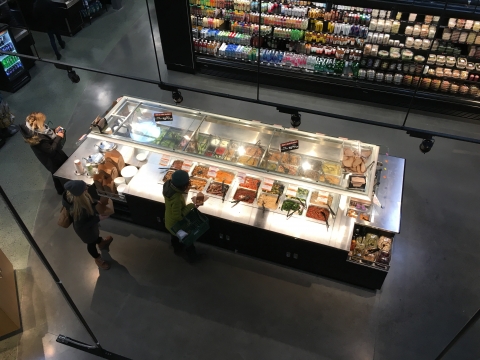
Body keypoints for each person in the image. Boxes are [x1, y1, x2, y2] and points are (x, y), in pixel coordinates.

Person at [62, 180, 113, 270]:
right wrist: (98, 218)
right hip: (85, 232)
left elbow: (86, 199)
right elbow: (80, 226)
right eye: (85, 189)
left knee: (95, 235)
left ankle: (100, 242)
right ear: (79, 194)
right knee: (91, 244)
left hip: (90, 227)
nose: (87, 189)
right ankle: (97, 258)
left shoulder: (75, 196)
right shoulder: (78, 211)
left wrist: (95, 202)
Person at [19, 112, 68, 195]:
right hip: (52, 159)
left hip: (52, 158)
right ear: (37, 123)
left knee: (55, 173)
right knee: (60, 171)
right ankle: (66, 188)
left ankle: (60, 189)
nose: (44, 123)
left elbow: (46, 132)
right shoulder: (38, 139)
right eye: (42, 121)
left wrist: (54, 130)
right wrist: (59, 137)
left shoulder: (36, 130)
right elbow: (51, 151)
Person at [163, 170, 200, 262]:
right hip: (176, 225)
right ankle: (193, 258)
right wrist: (192, 205)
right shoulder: (176, 198)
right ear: (183, 186)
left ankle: (177, 249)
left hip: (168, 220)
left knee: (174, 237)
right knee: (188, 240)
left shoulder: (168, 186)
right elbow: (178, 216)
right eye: (187, 183)